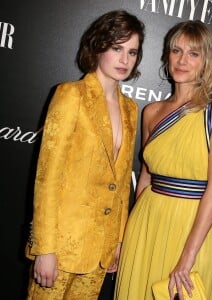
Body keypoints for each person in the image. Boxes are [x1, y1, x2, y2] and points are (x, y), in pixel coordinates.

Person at [25, 9, 144, 299]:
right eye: (117, 49)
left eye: (132, 52)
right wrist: (45, 248)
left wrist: (117, 241)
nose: (124, 60)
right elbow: (47, 176)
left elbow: (119, 186)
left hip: (100, 251)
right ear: (99, 46)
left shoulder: (131, 109)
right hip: (61, 246)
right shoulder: (70, 95)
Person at [114, 20, 212, 300]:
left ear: (206, 61)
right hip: (146, 222)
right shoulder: (152, 112)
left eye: (193, 53)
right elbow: (145, 177)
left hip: (193, 227)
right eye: (176, 50)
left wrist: (187, 257)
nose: (182, 60)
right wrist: (126, 237)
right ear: (166, 56)